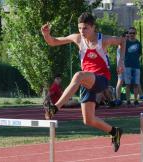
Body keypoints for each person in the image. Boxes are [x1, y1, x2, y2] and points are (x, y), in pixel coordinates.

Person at [41, 12, 125, 152]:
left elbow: (122, 41)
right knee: (88, 120)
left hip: (101, 79)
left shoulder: (103, 40)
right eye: (80, 28)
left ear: (93, 28)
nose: (82, 31)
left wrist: (121, 61)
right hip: (87, 81)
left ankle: (54, 108)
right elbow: (53, 42)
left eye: (85, 28)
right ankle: (115, 132)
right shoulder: (78, 38)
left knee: (78, 75)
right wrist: (46, 34)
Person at [123, 27, 142, 107]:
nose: (132, 35)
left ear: (136, 34)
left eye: (133, 33)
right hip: (127, 66)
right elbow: (122, 53)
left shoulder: (138, 43)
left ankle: (136, 100)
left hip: (136, 66)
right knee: (127, 84)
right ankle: (128, 101)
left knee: (136, 84)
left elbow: (140, 53)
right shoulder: (125, 43)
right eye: (130, 33)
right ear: (128, 34)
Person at [115, 31, 129, 106]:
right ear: (123, 37)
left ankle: (126, 100)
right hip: (121, 66)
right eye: (126, 36)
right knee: (120, 81)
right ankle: (118, 99)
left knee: (127, 83)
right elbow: (120, 57)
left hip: (126, 66)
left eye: (128, 36)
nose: (127, 38)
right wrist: (120, 66)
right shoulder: (121, 45)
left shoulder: (127, 45)